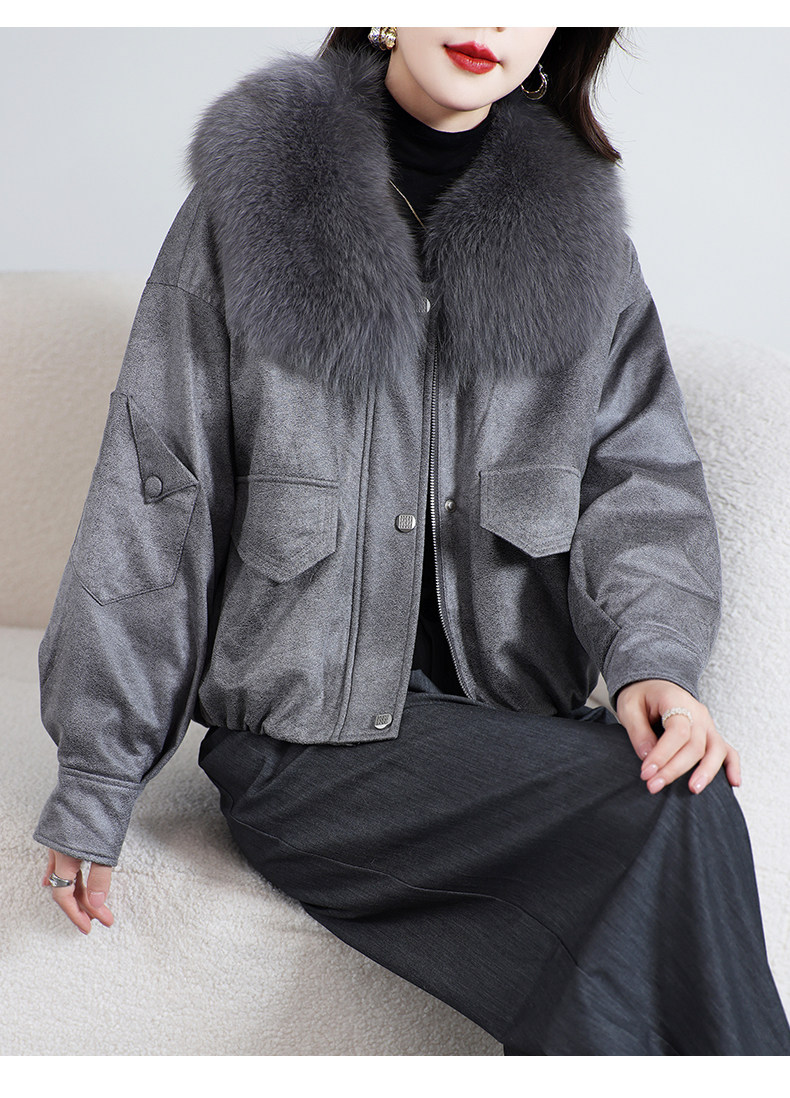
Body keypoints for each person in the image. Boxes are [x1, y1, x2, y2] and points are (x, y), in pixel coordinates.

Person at [35, 26, 790, 1055]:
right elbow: (157, 493)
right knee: (666, 815)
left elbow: (638, 483)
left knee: (680, 800)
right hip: (304, 750)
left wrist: (654, 664)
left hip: (510, 733)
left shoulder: (581, 242)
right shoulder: (253, 204)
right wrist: (98, 774)